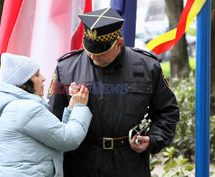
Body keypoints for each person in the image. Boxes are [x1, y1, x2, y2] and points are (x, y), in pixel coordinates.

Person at [48, 7, 180, 177]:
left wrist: (154, 139)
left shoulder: (147, 67)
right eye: (90, 52)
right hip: (81, 163)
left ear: (118, 44)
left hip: (129, 162)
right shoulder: (66, 68)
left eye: (101, 53)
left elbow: (167, 111)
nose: (94, 58)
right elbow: (53, 119)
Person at [0, 53, 92, 177]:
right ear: (24, 82)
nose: (43, 78)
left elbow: (55, 136)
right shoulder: (26, 109)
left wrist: (71, 108)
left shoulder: (15, 107)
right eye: (37, 75)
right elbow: (68, 139)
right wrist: (80, 107)